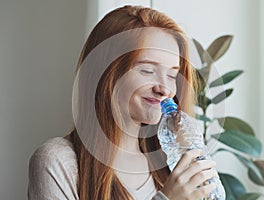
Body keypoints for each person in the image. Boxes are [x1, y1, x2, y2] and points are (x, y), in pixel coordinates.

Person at [28, 5, 219, 200]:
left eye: (171, 74)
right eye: (147, 70)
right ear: (106, 73)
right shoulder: (58, 162)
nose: (164, 89)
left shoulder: (170, 161)